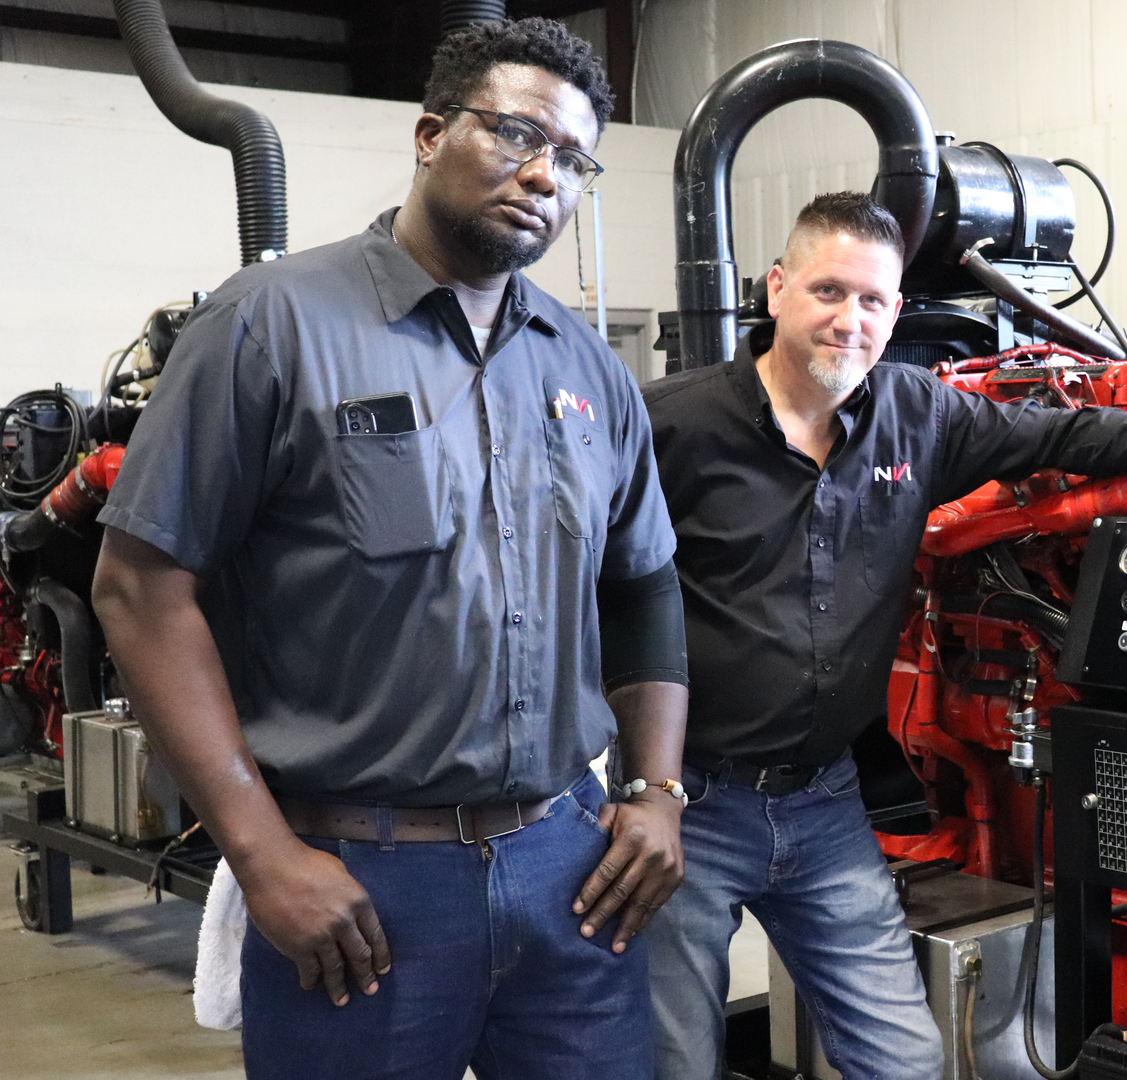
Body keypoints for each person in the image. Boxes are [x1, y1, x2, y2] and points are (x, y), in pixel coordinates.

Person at [91, 19, 690, 1080]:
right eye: (516, 134)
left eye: (574, 160)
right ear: (428, 135)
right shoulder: (269, 327)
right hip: (359, 885)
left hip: (570, 870)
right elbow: (140, 589)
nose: (543, 175)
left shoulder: (589, 368)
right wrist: (260, 852)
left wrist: (656, 791)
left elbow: (642, 584)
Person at [642, 191, 1127, 1079]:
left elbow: (1057, 433)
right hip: (693, 800)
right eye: (828, 291)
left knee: (903, 1059)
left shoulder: (919, 412)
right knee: (672, 1057)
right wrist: (627, 783)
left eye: (872, 300)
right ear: (778, 289)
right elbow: (585, 589)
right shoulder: (667, 425)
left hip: (825, 802)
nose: (849, 319)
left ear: (897, 310)